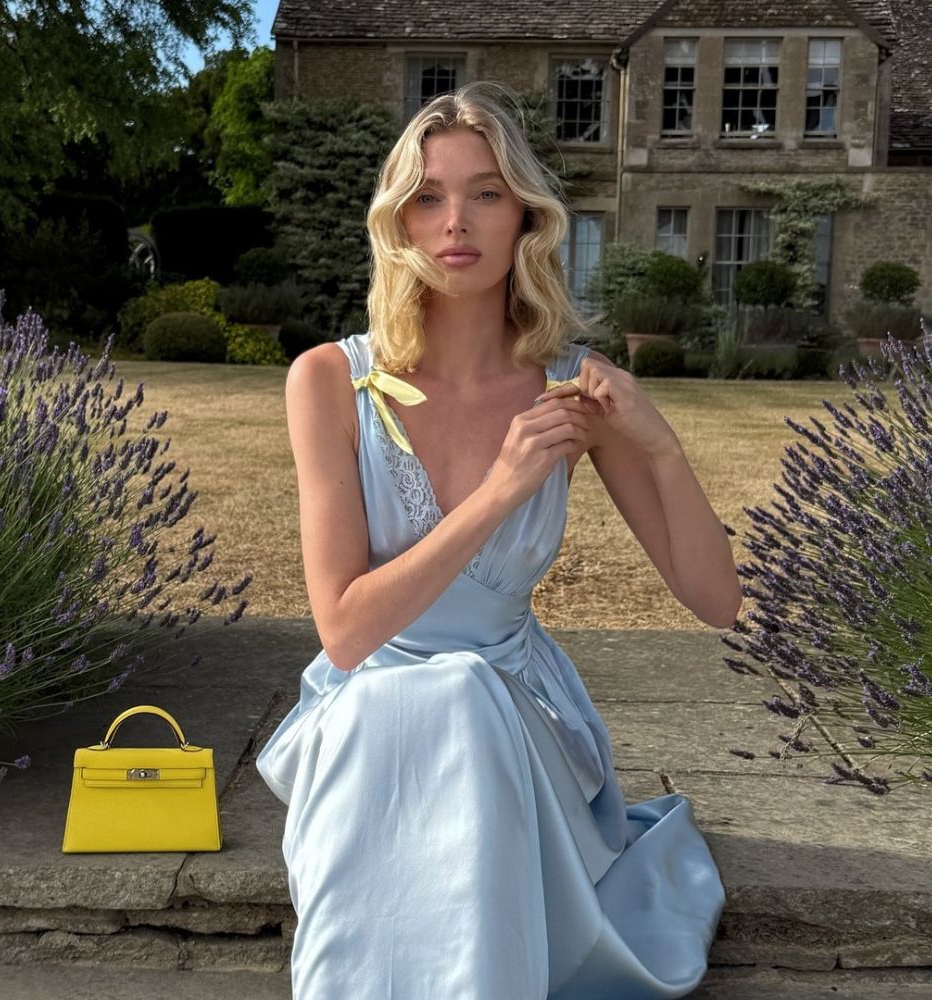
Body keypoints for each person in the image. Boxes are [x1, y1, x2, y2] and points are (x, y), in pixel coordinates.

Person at [256, 80, 738, 1000]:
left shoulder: (570, 390)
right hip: (363, 718)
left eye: (485, 192)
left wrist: (660, 444)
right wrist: (503, 488)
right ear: (397, 223)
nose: (455, 222)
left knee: (469, 697)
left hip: (522, 722)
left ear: (525, 216)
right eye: (428, 198)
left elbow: (716, 602)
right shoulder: (328, 381)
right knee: (427, 703)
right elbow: (347, 633)